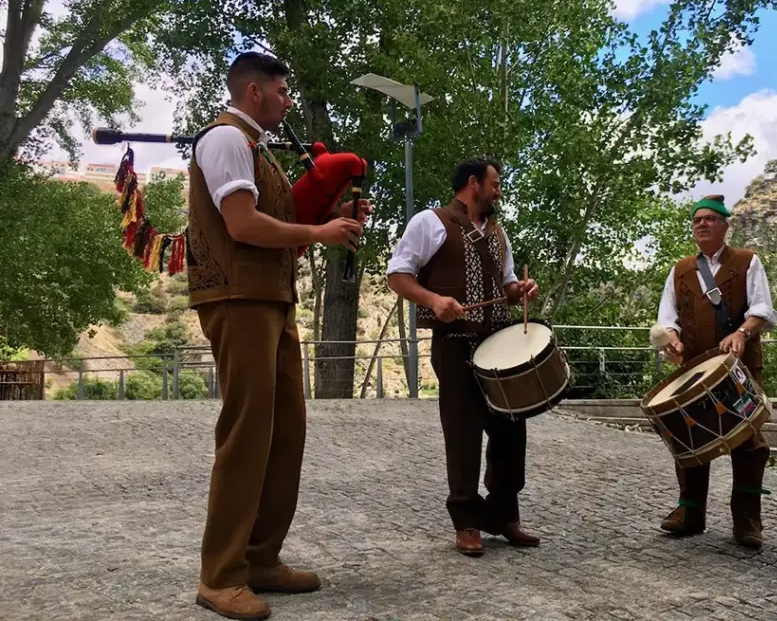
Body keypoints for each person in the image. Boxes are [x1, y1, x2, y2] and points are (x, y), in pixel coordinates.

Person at [187, 51, 368, 620]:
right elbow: (242, 225)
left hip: (271, 300)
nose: (289, 101)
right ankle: (220, 576)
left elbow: (276, 227)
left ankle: (261, 559)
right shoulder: (223, 140)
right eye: (283, 91)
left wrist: (330, 215)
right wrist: (320, 228)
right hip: (237, 300)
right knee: (246, 435)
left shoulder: (255, 147)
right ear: (254, 92)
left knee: (286, 431)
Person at [386, 157, 540, 557]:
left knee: (511, 429)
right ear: (473, 184)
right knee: (464, 432)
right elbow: (398, 275)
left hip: (498, 345)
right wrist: (434, 299)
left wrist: (519, 289)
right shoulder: (430, 222)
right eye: (495, 184)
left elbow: (505, 285)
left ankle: (504, 515)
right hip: (454, 344)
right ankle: (467, 522)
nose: (498, 191)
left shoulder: (498, 233)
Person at [654, 194, 777, 549]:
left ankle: (747, 519)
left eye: (710, 219)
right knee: (689, 436)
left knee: (749, 442)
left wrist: (742, 333)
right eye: (698, 220)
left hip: (738, 368)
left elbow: (763, 308)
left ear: (725, 225)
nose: (702, 224)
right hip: (694, 371)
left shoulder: (747, 261)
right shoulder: (680, 270)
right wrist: (672, 341)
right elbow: (667, 318)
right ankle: (690, 511)